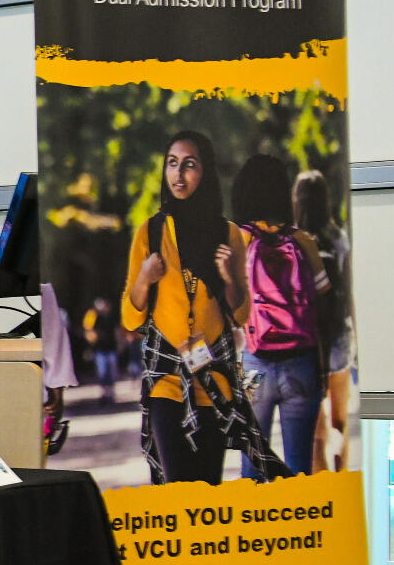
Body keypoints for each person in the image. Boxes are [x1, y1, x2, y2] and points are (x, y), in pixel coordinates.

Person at [120, 130, 283, 484]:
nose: (178, 174)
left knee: (208, 488)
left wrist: (228, 278)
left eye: (189, 165)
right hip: (167, 381)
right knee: (177, 488)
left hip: (215, 385)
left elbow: (241, 315)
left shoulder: (228, 235)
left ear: (205, 172)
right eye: (172, 164)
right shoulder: (149, 233)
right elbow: (131, 317)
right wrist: (145, 279)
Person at [231, 153, 328, 483]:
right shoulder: (303, 242)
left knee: (252, 471)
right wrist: (323, 369)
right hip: (301, 365)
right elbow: (323, 308)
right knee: (300, 471)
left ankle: (255, 532)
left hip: (255, 365)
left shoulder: (238, 240)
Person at [293, 169, 354, 472]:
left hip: (307, 343)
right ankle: (342, 483)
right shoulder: (339, 238)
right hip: (339, 336)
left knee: (316, 433)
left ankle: (323, 494)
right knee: (340, 421)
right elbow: (349, 289)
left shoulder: (293, 241)